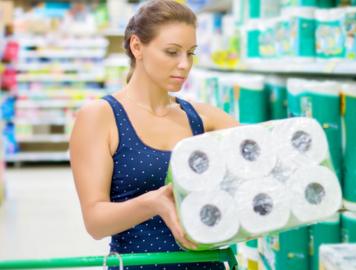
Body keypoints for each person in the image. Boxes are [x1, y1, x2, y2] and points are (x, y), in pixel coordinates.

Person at [69, 1, 238, 269]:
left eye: (191, 53)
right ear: (137, 47)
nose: (184, 65)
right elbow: (95, 222)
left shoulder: (204, 119)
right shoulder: (101, 117)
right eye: (172, 52)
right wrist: (153, 202)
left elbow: (266, 158)